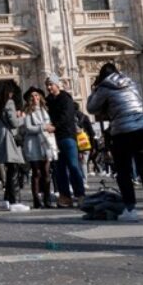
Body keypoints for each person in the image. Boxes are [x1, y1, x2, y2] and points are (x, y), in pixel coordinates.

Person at [87, 61, 143, 222]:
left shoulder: (105, 87)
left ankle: (130, 209)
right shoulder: (131, 82)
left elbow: (91, 108)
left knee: (123, 171)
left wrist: (94, 91)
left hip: (123, 131)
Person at [45, 75, 86, 206]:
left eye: (51, 84)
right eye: (47, 85)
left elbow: (66, 116)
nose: (49, 87)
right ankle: (65, 196)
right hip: (55, 139)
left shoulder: (65, 98)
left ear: (58, 85)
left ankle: (80, 195)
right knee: (59, 168)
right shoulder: (49, 100)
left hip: (67, 136)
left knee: (73, 166)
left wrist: (54, 126)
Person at [0, 79, 28, 212]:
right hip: (9, 140)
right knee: (14, 170)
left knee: (9, 169)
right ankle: (15, 201)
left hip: (0, 140)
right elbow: (15, 123)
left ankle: (7, 200)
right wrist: (23, 117)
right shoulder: (9, 103)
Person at [22, 87, 56, 209]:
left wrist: (50, 128)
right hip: (33, 144)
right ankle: (36, 199)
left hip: (46, 143)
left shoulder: (45, 110)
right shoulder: (27, 112)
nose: (35, 98)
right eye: (32, 96)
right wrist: (43, 127)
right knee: (36, 172)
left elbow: (51, 124)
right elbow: (28, 128)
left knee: (46, 172)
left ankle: (47, 199)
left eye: (36, 95)